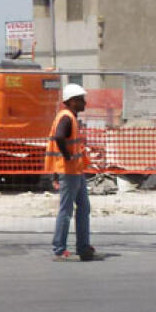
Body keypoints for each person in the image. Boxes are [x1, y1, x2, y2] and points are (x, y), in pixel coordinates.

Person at [46, 83, 99, 261]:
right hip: (69, 172)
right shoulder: (66, 118)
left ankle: (83, 246)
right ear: (72, 101)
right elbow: (59, 137)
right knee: (66, 210)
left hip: (76, 171)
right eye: (81, 99)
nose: (84, 102)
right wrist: (68, 157)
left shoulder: (71, 117)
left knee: (84, 207)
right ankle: (59, 249)